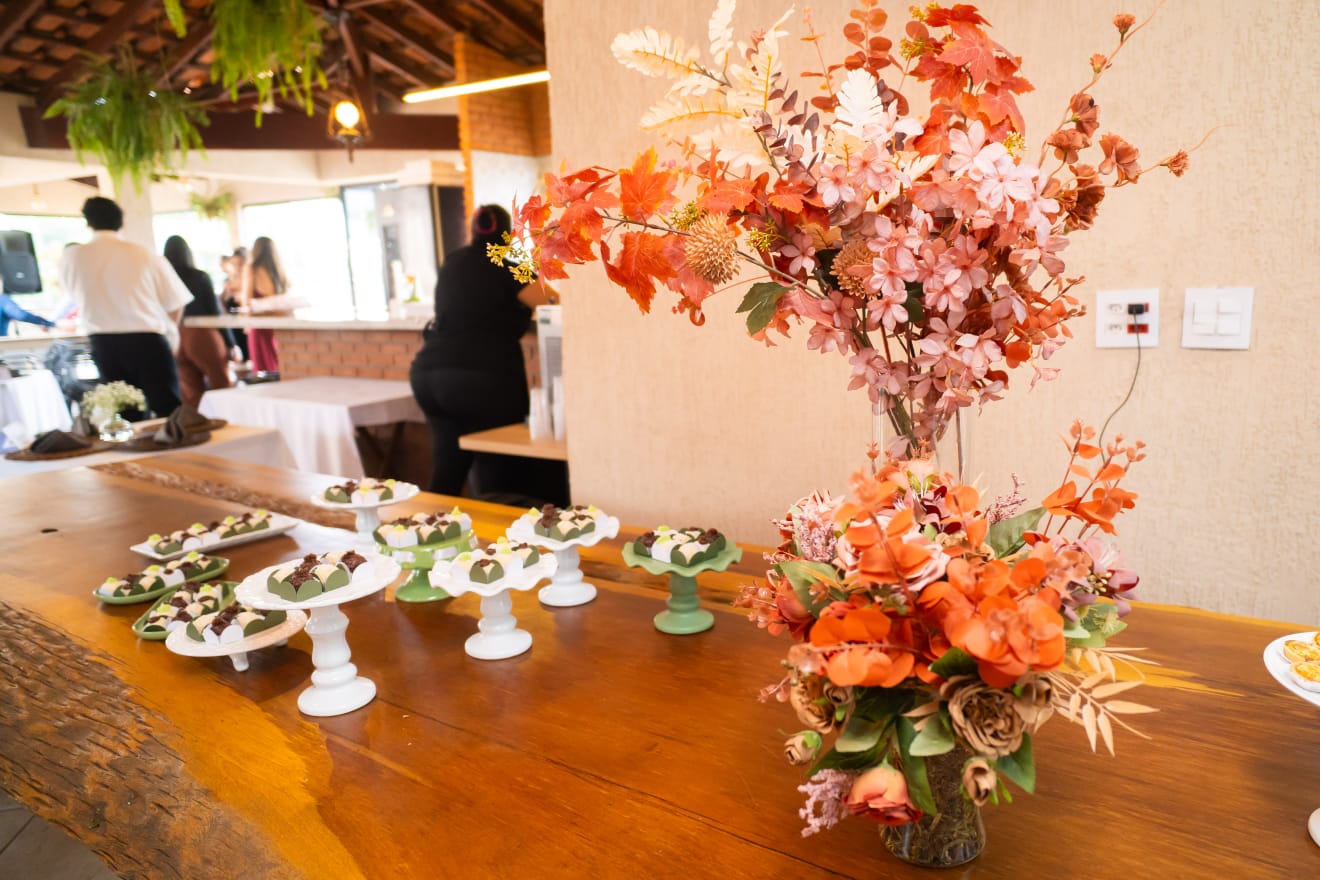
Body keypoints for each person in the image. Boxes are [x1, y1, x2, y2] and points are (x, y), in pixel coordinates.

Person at [410, 204, 557, 498]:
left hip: (428, 376)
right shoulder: (510, 266)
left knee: (448, 469)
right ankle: (502, 538)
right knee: (499, 476)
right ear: (509, 235)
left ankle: (428, 533)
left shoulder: (452, 262)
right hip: (481, 380)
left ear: (473, 231)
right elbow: (553, 303)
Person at [58, 197, 192, 418]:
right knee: (168, 410)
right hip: (147, 340)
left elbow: (70, 295)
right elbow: (175, 302)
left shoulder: (73, 257)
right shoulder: (143, 253)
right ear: (122, 221)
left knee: (125, 412)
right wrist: (170, 332)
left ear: (88, 223)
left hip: (104, 343)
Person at [164, 235, 235, 406]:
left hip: (176, 336)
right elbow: (214, 312)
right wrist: (230, 342)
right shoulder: (199, 277)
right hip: (202, 334)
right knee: (221, 384)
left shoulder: (165, 279)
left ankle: (197, 426)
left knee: (190, 392)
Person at [239, 236, 292, 375]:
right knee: (281, 368)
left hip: (260, 326)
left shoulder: (252, 269)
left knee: (264, 372)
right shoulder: (280, 272)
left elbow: (247, 300)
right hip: (280, 326)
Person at [219, 247, 250, 364]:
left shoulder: (248, 282)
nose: (237, 268)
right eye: (234, 264)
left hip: (246, 325)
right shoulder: (229, 282)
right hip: (234, 325)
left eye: (240, 264)